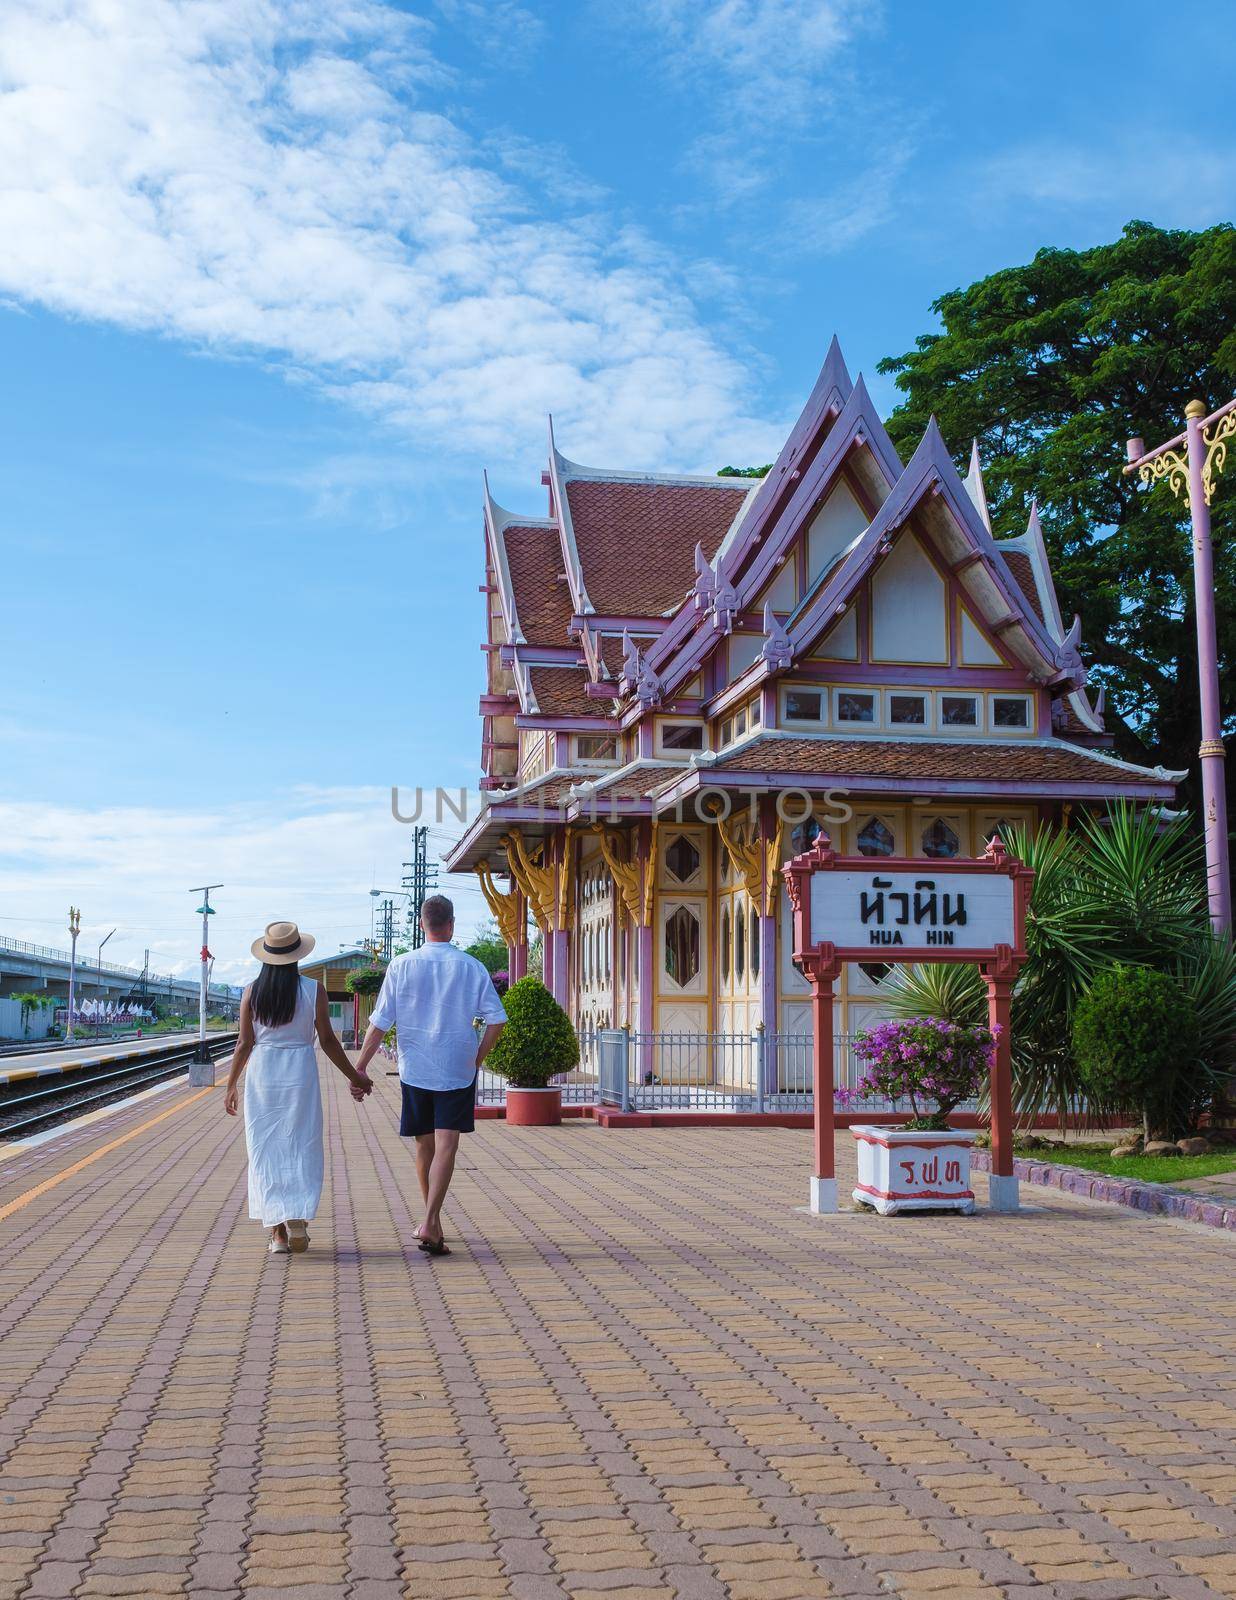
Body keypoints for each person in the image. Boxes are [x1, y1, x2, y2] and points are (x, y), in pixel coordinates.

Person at [353, 894, 505, 1256]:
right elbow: (497, 1019)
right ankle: (431, 1221)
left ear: (422, 924)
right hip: (457, 1067)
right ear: (451, 925)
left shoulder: (401, 965)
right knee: (447, 1145)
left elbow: (379, 1024)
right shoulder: (472, 967)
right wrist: (478, 1056)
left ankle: (431, 1221)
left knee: (424, 1145)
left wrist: (358, 1069)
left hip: (415, 1067)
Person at [224, 920, 372, 1255]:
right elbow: (330, 1041)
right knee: (301, 1144)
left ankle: (277, 1234)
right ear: (296, 956)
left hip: (263, 1074)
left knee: (264, 1149)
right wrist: (354, 1076)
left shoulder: (251, 991)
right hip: (300, 1072)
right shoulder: (312, 990)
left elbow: (244, 1043)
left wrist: (231, 1084)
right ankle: (299, 1219)